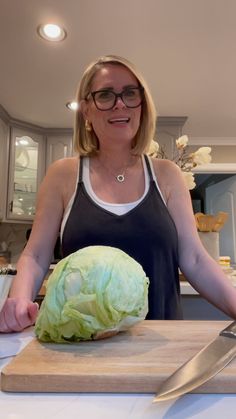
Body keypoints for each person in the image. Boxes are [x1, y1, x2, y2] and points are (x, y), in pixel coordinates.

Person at [1, 54, 236, 333]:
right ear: (86, 110)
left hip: (161, 344)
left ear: (142, 105)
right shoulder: (62, 175)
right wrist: (17, 300)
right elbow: (36, 255)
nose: (120, 103)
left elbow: (195, 259)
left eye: (129, 93)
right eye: (105, 95)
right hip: (84, 347)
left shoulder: (167, 174)